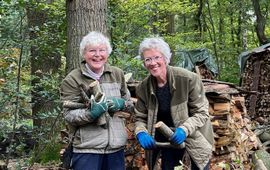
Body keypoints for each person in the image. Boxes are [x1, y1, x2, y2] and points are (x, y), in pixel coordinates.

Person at [134, 37, 214, 170]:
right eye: (148, 59)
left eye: (157, 57)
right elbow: (140, 117)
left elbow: (201, 112)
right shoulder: (143, 88)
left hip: (194, 140)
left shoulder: (188, 79)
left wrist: (184, 129)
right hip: (167, 142)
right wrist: (141, 132)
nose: (153, 63)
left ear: (166, 58)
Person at [60, 31, 133, 170]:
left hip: (116, 147)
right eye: (92, 51)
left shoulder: (117, 74)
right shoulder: (73, 79)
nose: (97, 55)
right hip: (87, 149)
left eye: (102, 50)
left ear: (108, 53)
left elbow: (129, 104)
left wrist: (121, 103)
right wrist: (91, 114)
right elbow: (69, 115)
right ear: (84, 53)